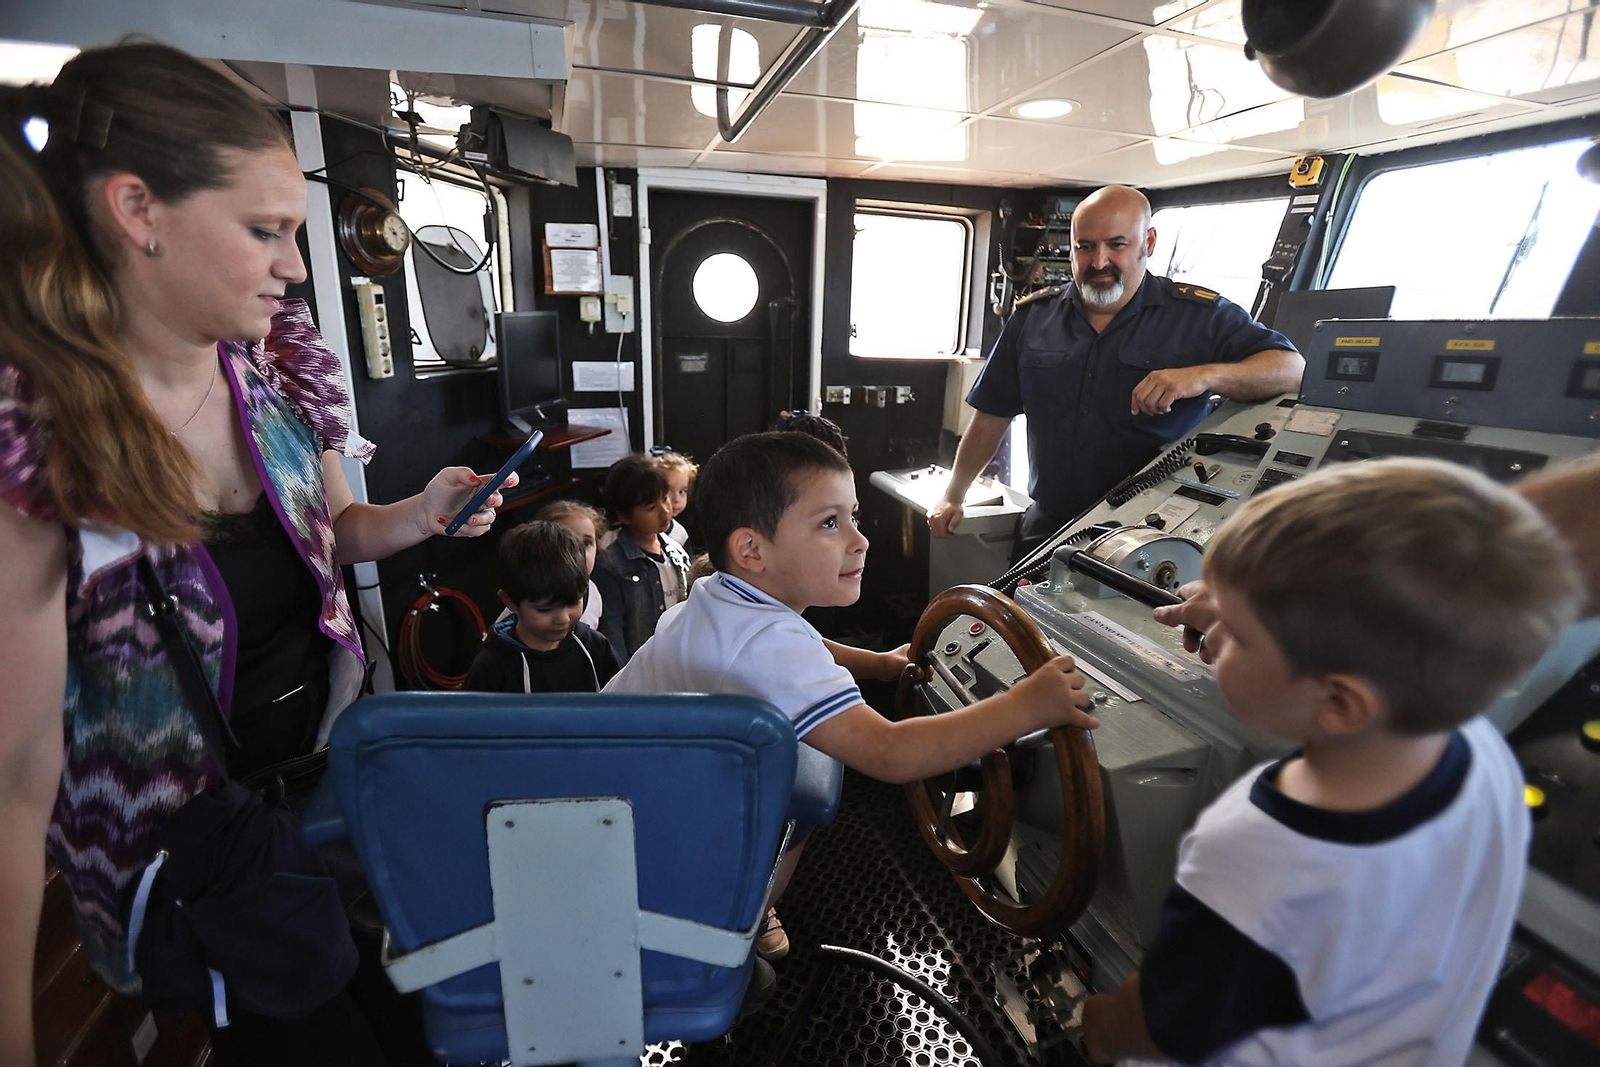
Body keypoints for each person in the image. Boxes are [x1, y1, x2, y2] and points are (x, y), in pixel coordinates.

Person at [0, 44, 510, 1067]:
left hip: (319, 787)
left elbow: (336, 535)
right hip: (190, 857)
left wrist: (420, 512)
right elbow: (16, 771)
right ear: (138, 210)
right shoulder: (38, 443)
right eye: (263, 229)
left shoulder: (271, 375)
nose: (292, 262)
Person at [1081, 458, 1584, 1065]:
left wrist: (1101, 1027)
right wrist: (1252, 612)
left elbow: (1163, 1023)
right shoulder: (1480, 754)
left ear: (1340, 702)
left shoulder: (1257, 852)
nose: (1213, 638)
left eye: (1236, 634)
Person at [605, 432, 1099, 961]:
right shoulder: (769, 644)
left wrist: (882, 665)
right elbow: (891, 753)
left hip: (622, 780)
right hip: (644, 832)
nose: (859, 540)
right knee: (810, 783)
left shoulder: (719, 595)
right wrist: (1028, 706)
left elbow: (807, 646)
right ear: (751, 550)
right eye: (829, 523)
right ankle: (732, 927)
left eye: (853, 517)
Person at [928, 185, 1304, 556]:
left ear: (1149, 243)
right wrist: (953, 495)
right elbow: (991, 416)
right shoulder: (1032, 318)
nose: (1099, 261)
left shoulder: (1199, 317)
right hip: (1049, 527)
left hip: (1153, 534)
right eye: (1086, 246)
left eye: (1117, 244)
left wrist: (1202, 376)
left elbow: (1292, 368)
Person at [466, 521, 620, 694]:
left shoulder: (596, 648)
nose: (563, 619)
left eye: (573, 602)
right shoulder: (491, 666)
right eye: (545, 609)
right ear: (509, 601)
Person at [594, 453, 692, 661]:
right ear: (623, 516)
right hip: (643, 667)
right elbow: (613, 630)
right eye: (651, 508)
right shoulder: (610, 564)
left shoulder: (676, 550)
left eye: (664, 499)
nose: (665, 511)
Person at [533, 499, 606, 631]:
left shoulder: (593, 591)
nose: (580, 552)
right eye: (567, 542)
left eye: (587, 543)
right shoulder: (530, 596)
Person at [655, 449, 696, 548]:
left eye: (682, 491)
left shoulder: (680, 534)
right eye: (668, 491)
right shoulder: (640, 531)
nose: (676, 499)